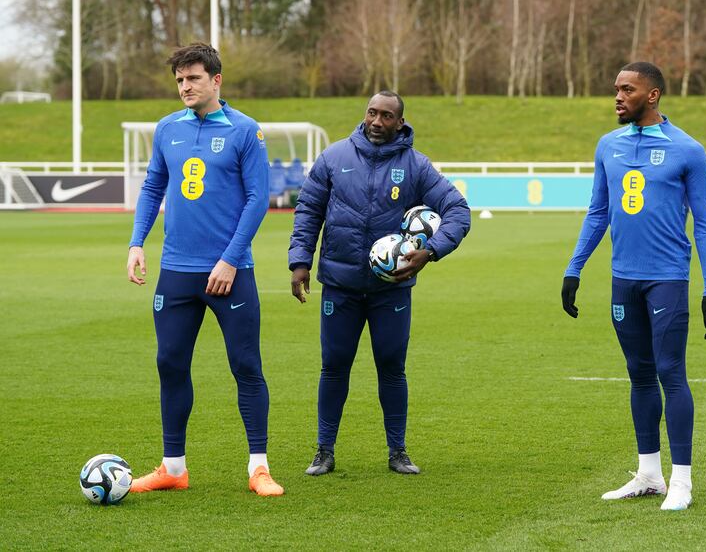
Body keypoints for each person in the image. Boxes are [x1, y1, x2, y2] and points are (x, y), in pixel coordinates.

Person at [561, 62, 706, 511]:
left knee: (670, 371)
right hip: (623, 279)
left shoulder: (687, 150)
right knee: (638, 374)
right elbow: (598, 212)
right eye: (615, 88)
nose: (617, 96)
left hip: (667, 278)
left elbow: (705, 223)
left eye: (626, 89)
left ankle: (682, 481)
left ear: (652, 96)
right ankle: (649, 474)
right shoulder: (607, 145)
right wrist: (574, 269)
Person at [126, 43, 283, 497]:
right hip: (176, 270)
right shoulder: (166, 129)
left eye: (193, 78)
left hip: (230, 271)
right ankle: (173, 467)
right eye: (179, 80)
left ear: (216, 80)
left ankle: (259, 467)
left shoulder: (244, 131)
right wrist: (137, 242)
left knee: (245, 366)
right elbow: (154, 185)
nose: (184, 87)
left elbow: (258, 200)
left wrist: (231, 259)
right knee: (169, 363)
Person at [289, 91, 471, 476]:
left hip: (391, 290)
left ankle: (398, 451)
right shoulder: (334, 157)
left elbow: (458, 210)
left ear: (400, 123)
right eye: (372, 112)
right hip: (340, 284)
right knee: (334, 366)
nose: (376, 121)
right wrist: (300, 261)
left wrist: (432, 250)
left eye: (386, 116)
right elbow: (309, 209)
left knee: (392, 366)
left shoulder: (417, 166)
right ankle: (324, 450)